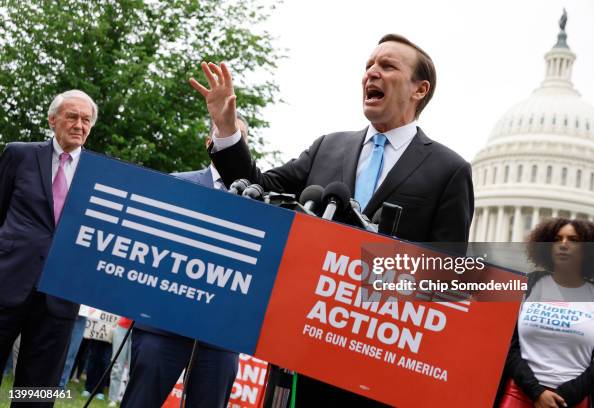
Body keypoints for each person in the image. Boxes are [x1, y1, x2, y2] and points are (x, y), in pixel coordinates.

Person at [190, 34, 474, 405]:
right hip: (301, 350)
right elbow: (257, 189)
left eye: (387, 66)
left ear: (420, 89)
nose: (371, 73)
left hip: (380, 363)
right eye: (368, 65)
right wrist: (227, 129)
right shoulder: (329, 146)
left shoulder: (449, 170)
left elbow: (446, 276)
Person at [119, 116, 248, 408]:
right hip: (162, 325)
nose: (232, 145)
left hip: (220, 335)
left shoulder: (258, 200)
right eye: (225, 136)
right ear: (209, 144)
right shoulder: (178, 183)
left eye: (239, 140)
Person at [0, 90, 97, 398]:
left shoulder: (101, 174)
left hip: (60, 294)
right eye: (72, 117)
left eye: (86, 120)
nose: (79, 125)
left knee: (37, 390)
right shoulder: (19, 154)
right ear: (52, 120)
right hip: (7, 281)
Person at [498, 218, 594, 408]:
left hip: (572, 400)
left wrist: (561, 397)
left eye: (573, 240)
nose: (563, 245)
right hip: (520, 394)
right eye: (557, 239)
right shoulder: (525, 287)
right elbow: (506, 345)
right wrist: (537, 392)